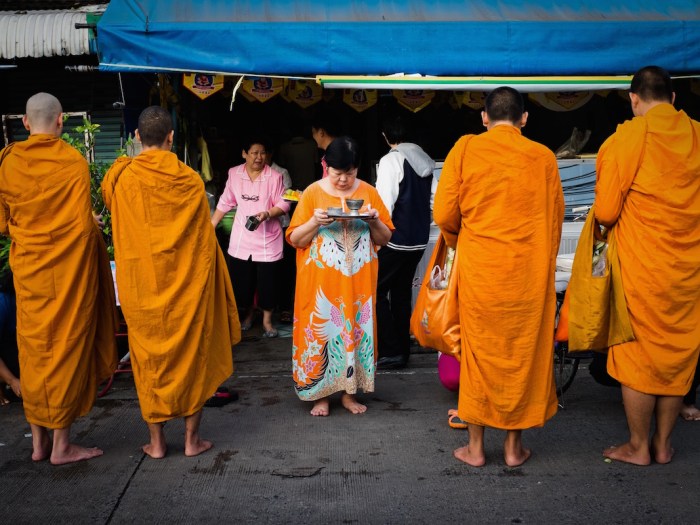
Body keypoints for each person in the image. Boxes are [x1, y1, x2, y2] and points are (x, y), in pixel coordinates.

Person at [434, 87, 564, 467]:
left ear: (484, 117)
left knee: (479, 356)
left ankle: (475, 448)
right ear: (524, 118)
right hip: (527, 274)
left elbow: (443, 214)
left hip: (481, 273)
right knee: (521, 355)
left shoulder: (466, 149)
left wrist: (464, 239)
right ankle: (513, 447)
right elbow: (554, 220)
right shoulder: (543, 157)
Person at [102, 106, 240, 458]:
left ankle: (158, 443)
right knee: (192, 357)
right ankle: (192, 441)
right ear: (171, 138)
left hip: (142, 287)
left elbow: (108, 200)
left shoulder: (121, 177)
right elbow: (202, 239)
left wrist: (128, 157)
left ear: (136, 137)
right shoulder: (189, 179)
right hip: (186, 288)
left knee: (149, 363)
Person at [0, 92, 118, 464]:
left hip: (31, 275)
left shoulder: (7, 162)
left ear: (24, 123)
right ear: (61, 121)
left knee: (34, 352)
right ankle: (62, 445)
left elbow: (4, 224)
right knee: (66, 347)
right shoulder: (72, 161)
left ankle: (39, 444)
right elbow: (81, 226)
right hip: (68, 273)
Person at [594, 66, 700, 465]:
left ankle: (638, 446)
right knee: (675, 353)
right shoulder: (696, 134)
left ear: (634, 100)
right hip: (689, 267)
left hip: (643, 268)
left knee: (638, 356)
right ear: (674, 99)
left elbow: (605, 211)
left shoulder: (629, 137)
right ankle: (663, 444)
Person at [287, 136, 393, 416]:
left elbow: (386, 236)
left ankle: (349, 393)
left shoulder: (369, 193)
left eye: (350, 172)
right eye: (337, 173)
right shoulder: (312, 193)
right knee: (321, 332)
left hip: (358, 283)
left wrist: (374, 221)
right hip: (320, 283)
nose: (344, 179)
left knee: (355, 332)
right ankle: (320, 395)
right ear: (326, 166)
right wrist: (314, 221)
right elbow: (296, 239)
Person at [211, 138, 291, 337]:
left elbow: (284, 204)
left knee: (268, 282)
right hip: (242, 238)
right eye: (254, 152)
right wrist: (211, 225)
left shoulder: (274, 176)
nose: (259, 157)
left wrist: (267, 214)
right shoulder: (234, 174)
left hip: (268, 238)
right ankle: (248, 314)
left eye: (262, 153)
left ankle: (266, 321)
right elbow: (225, 201)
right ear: (244, 154)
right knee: (243, 282)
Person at [375, 115, 435, 369]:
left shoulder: (391, 160)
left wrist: (376, 235)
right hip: (418, 240)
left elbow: (384, 202)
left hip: (395, 239)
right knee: (400, 293)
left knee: (375, 291)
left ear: (385, 136)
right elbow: (435, 200)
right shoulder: (426, 159)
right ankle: (402, 349)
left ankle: (390, 350)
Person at [311, 110, 342, 178]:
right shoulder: (337, 152)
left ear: (321, 132)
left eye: (313, 132)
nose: (312, 137)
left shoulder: (336, 156)